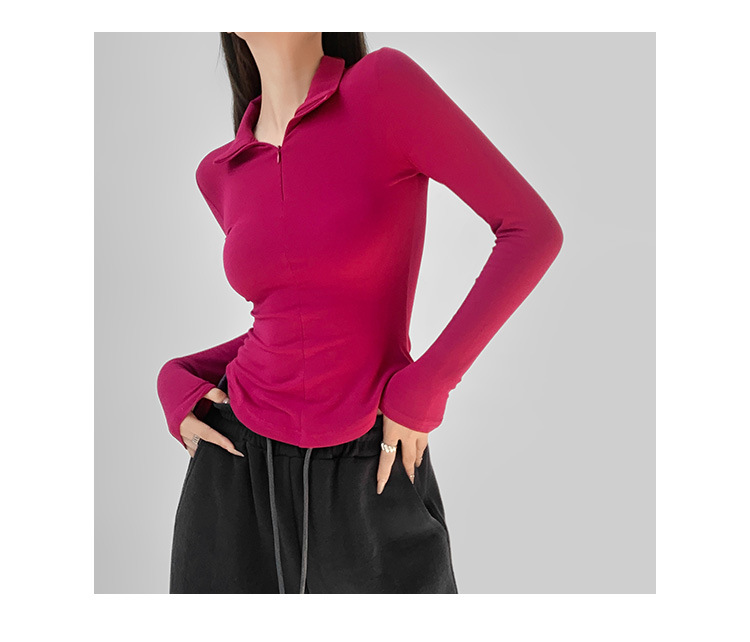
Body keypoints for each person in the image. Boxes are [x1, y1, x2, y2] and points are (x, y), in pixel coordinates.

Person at [156, 32, 564, 594]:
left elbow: (531, 230)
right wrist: (178, 375)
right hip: (234, 472)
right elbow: (289, 324)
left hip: (372, 463)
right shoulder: (221, 173)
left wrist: (427, 385)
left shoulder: (382, 90)